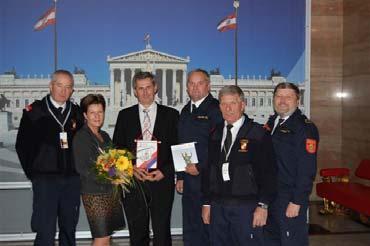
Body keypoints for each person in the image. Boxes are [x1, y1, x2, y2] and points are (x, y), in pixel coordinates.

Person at [202, 85, 277, 246]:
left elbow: (269, 173)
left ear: (242, 105)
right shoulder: (214, 134)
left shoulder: (258, 134)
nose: (228, 108)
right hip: (218, 206)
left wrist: (263, 205)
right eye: (223, 104)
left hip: (247, 207)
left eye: (233, 103)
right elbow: (208, 171)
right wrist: (207, 203)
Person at [15, 69, 84, 245]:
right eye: (59, 85)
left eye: (68, 87)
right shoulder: (34, 112)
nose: (63, 91)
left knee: (69, 229)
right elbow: (22, 146)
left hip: (71, 181)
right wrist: (34, 173)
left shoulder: (76, 113)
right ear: (51, 86)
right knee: (45, 231)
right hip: (45, 181)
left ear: (72, 90)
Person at [113, 71, 179, 246]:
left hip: (161, 183)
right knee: (137, 233)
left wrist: (165, 171)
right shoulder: (124, 115)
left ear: (155, 88)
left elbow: (177, 149)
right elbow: (118, 149)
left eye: (148, 87)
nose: (145, 92)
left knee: (162, 233)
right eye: (140, 88)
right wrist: (130, 168)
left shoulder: (171, 115)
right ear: (135, 91)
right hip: (134, 183)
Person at [264, 82, 319, 246]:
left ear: (297, 100)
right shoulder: (273, 122)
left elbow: (307, 169)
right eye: (279, 96)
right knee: (271, 239)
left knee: (292, 240)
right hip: (271, 196)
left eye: (288, 97)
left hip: (289, 197)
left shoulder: (304, 128)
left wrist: (297, 201)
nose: (282, 101)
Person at [175, 69, 223, 246]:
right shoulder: (185, 110)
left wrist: (200, 166)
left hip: (208, 180)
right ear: (187, 87)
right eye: (191, 83)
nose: (195, 87)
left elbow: (218, 146)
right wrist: (180, 175)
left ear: (208, 86)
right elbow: (181, 143)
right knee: (190, 226)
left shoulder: (216, 109)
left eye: (200, 83)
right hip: (188, 180)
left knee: (207, 228)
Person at [73, 94, 125, 246]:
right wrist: (112, 174)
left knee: (107, 236)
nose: (97, 116)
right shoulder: (82, 137)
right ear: (85, 115)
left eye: (100, 112)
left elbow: (114, 161)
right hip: (95, 194)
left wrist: (121, 170)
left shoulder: (105, 136)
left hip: (109, 192)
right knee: (101, 237)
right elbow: (84, 168)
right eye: (92, 113)